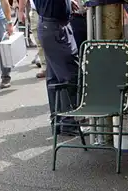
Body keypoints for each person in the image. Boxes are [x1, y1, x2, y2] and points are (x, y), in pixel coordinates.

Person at [35, 0, 77, 129]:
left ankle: (59, 120)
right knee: (69, 76)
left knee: (55, 78)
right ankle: (68, 122)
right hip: (54, 27)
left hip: (50, 25)